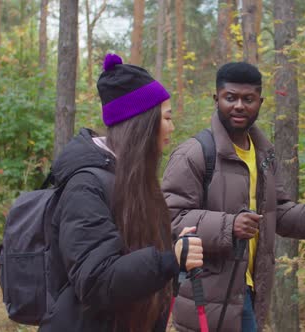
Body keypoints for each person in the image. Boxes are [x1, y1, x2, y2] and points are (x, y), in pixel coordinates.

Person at [161, 62, 305, 332]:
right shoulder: (194, 153)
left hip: (249, 291)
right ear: (216, 99)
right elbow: (171, 218)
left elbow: (278, 213)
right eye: (231, 98)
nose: (239, 105)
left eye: (248, 99)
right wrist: (230, 226)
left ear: (260, 102)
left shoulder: (263, 155)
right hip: (205, 297)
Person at [38, 53, 203, 332]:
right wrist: (167, 260)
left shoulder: (135, 181)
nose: (172, 128)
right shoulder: (85, 186)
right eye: (166, 118)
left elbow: (128, 251)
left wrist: (173, 245)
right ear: (142, 123)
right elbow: (95, 279)